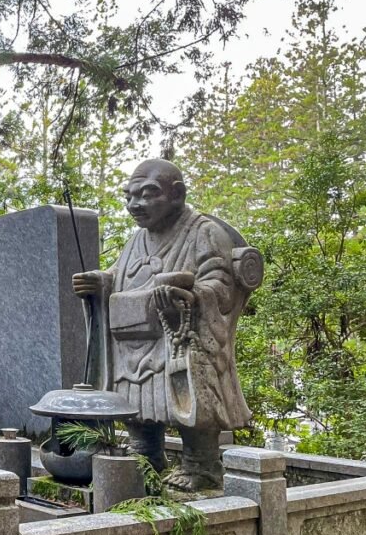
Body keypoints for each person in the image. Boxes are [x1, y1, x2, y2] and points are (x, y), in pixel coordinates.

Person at [72, 159, 262, 490]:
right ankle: (146, 454)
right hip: (134, 338)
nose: (135, 205)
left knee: (189, 391)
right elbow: (120, 276)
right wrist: (99, 282)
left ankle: (200, 464)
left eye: (147, 195)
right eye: (130, 197)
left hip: (179, 335)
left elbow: (221, 285)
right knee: (136, 402)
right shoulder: (136, 240)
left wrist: (189, 296)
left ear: (177, 195)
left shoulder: (203, 232)